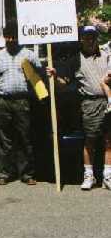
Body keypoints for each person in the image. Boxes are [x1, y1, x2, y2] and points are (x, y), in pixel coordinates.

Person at [0, 22, 41, 186]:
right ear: (4, 37)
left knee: (25, 137)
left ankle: (27, 174)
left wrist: (47, 73)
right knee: (5, 138)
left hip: (23, 101)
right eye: (8, 36)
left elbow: (39, 77)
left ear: (19, 37)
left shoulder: (29, 55)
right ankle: (4, 173)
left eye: (14, 37)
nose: (11, 40)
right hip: (3, 101)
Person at [48, 26, 111, 190]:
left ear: (97, 39)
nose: (90, 41)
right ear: (81, 39)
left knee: (108, 140)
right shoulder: (75, 59)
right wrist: (55, 76)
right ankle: (89, 175)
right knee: (90, 140)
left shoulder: (106, 55)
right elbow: (64, 83)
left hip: (108, 100)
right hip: (90, 103)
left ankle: (107, 175)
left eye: (93, 37)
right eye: (87, 37)